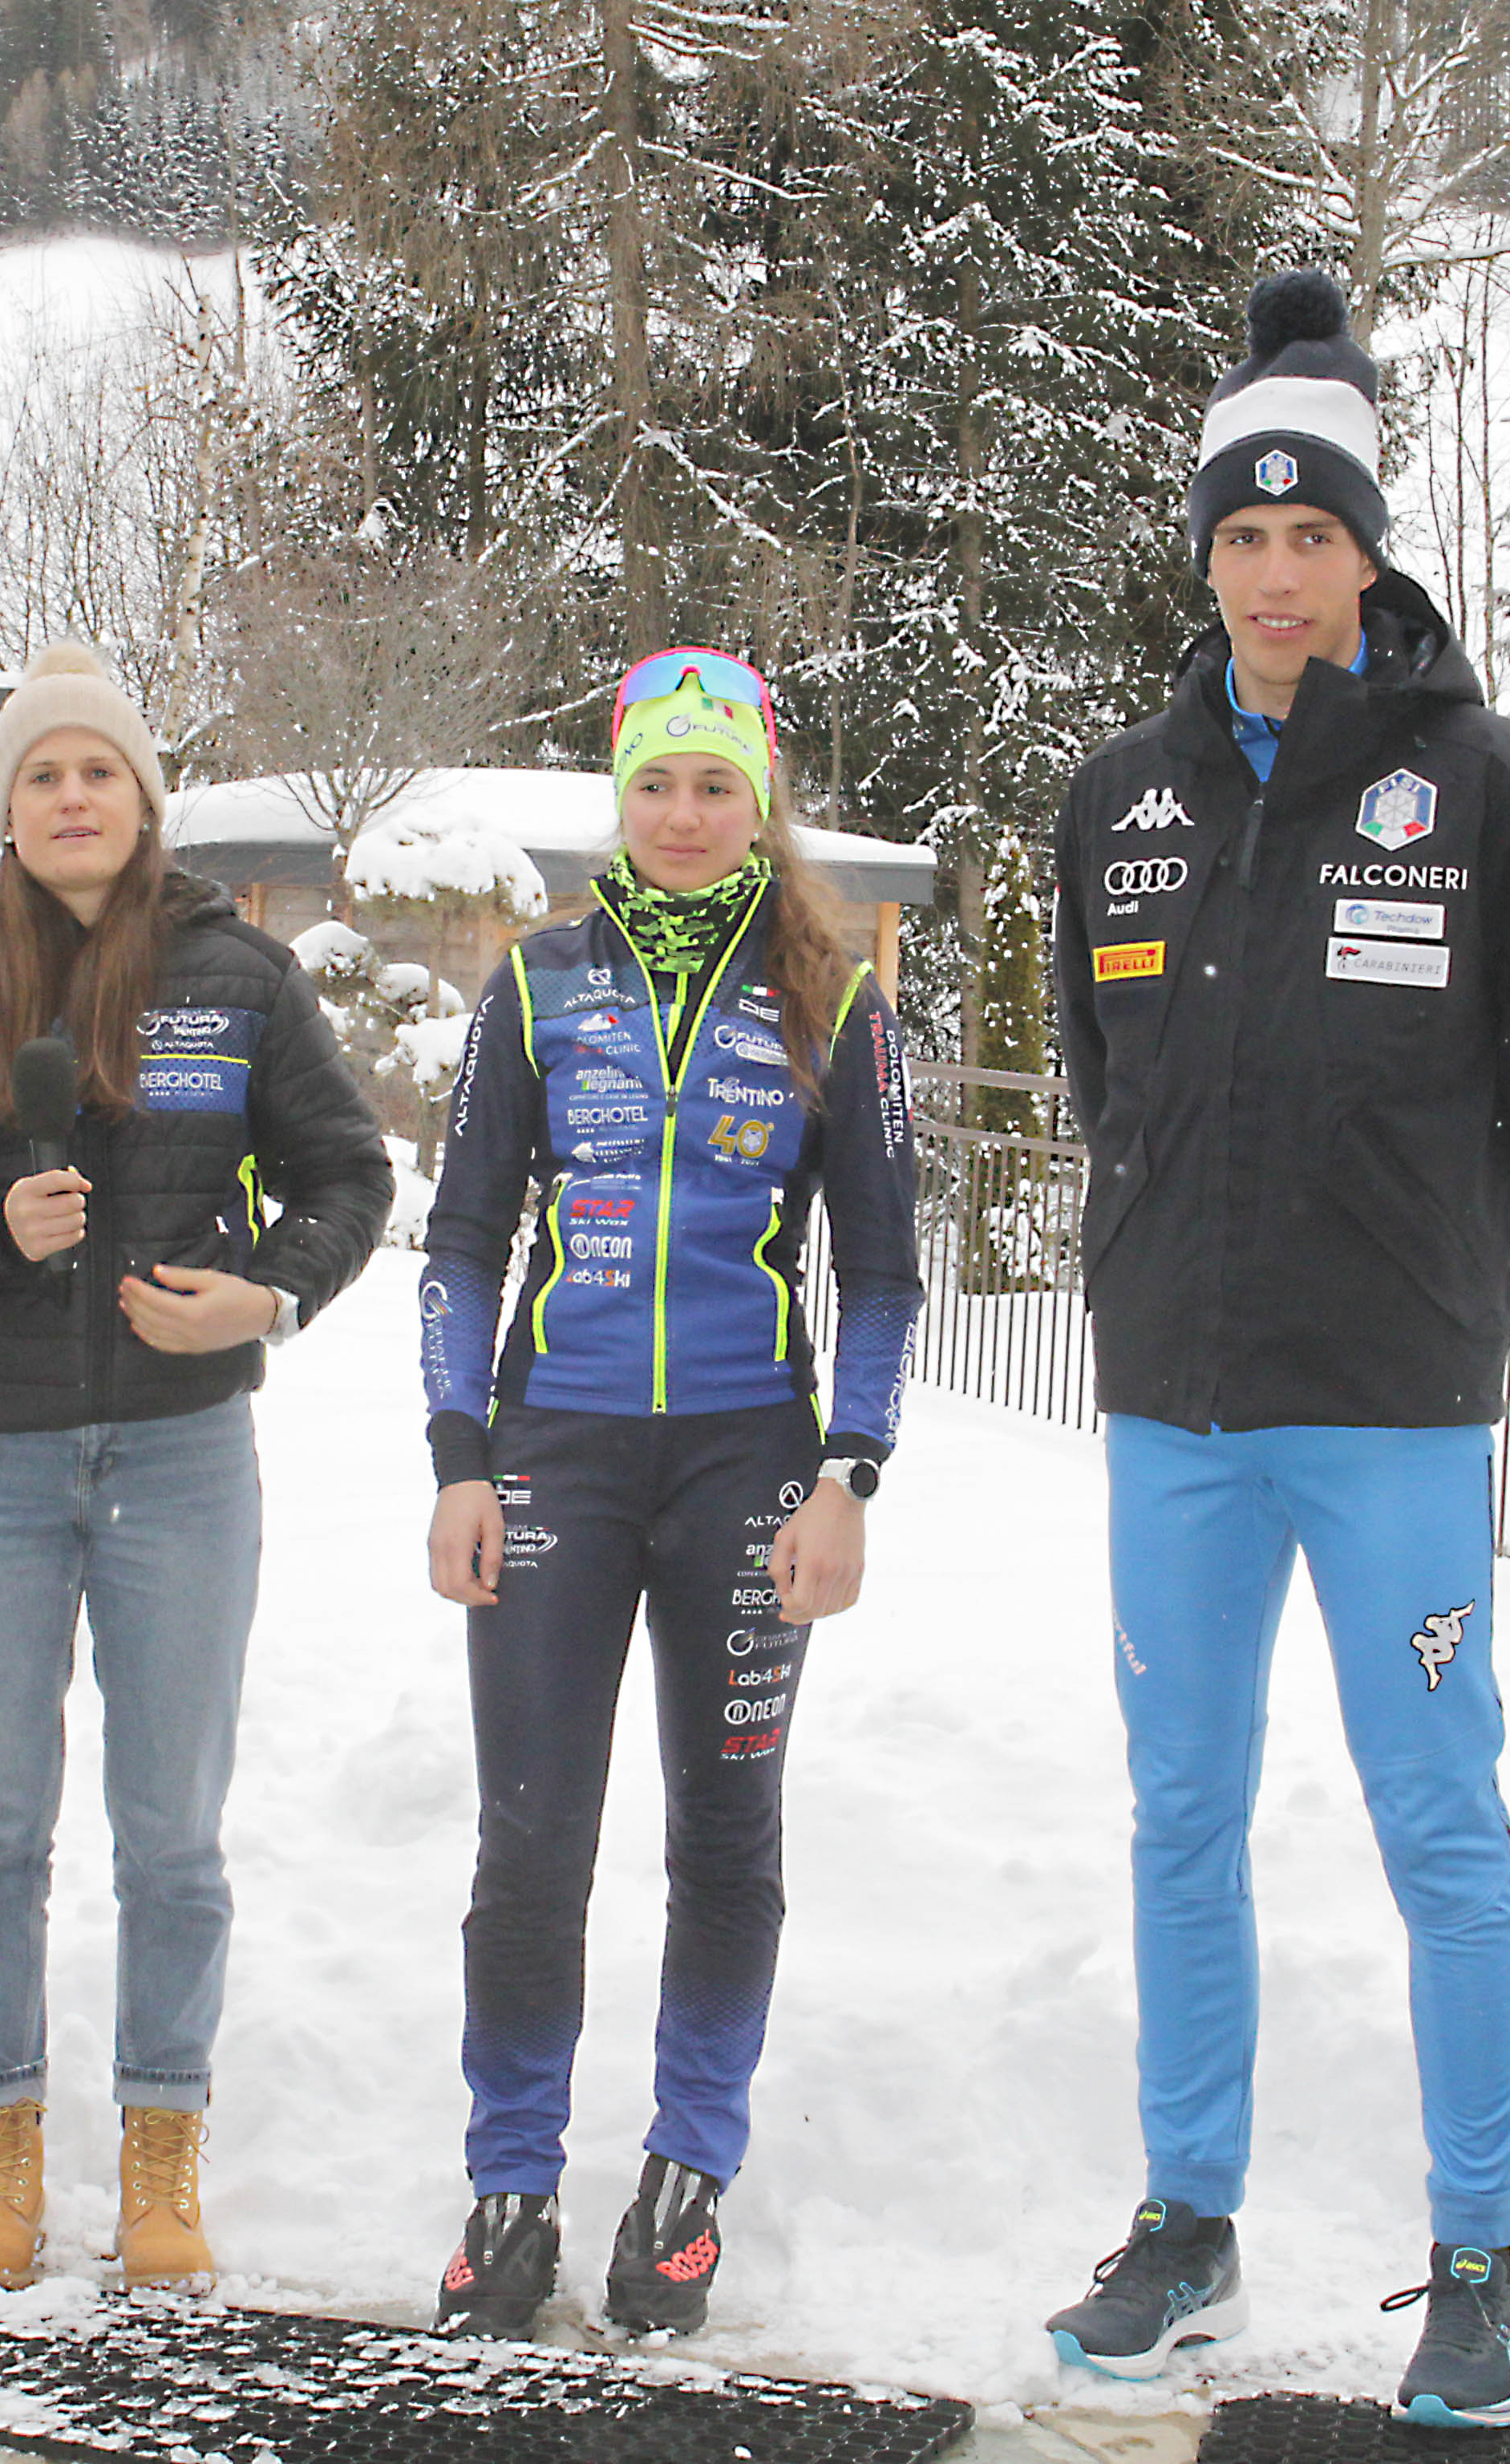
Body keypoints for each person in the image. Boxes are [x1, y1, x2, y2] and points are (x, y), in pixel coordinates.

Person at [1038, 270, 1510, 2427]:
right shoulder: (1113, 796)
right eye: (1238, 536)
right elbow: (1109, 1086)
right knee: (1175, 1813)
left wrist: (1470, 1285)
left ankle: (1475, 2257)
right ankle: (1185, 2228)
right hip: (1172, 1420)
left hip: (1388, 1419)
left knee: (1437, 1823)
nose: (1274, 573)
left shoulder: (1484, 787)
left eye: (1310, 537)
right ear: (1199, 556)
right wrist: (1145, 1260)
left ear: (1367, 555)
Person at [0, 641, 393, 2295]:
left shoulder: (241, 981)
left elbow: (347, 1173)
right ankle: (0, 2154)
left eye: (100, 772)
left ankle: (160, 2154)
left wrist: (267, 1293)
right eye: (41, 774)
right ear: (7, 811)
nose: (72, 796)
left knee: (172, 1835)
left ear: (144, 802)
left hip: (181, 1457)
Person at [415, 649, 922, 2342]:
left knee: (723, 1839)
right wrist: (459, 1458)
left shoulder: (831, 998)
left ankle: (688, 2172)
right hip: (554, 1451)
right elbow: (467, 1234)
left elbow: (888, 1272)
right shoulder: (537, 982)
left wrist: (846, 1475)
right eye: (656, 784)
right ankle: (508, 2185)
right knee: (531, 1840)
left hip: (747, 1468)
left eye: (716, 785)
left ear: (759, 802)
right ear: (617, 802)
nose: (686, 815)